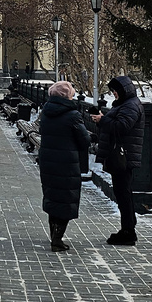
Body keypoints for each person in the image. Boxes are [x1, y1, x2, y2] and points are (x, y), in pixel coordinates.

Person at [91, 75, 145, 246]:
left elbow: (122, 127)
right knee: (123, 193)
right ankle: (128, 227)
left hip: (124, 156)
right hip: (122, 155)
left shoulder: (131, 105)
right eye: (112, 91)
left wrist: (103, 119)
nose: (113, 93)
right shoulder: (127, 104)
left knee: (123, 193)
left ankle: (128, 231)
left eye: (115, 90)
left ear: (124, 90)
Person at [38, 80, 91, 252]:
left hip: (48, 160)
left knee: (53, 196)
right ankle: (57, 239)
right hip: (67, 163)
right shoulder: (72, 115)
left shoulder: (46, 112)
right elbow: (84, 140)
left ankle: (54, 234)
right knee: (66, 198)